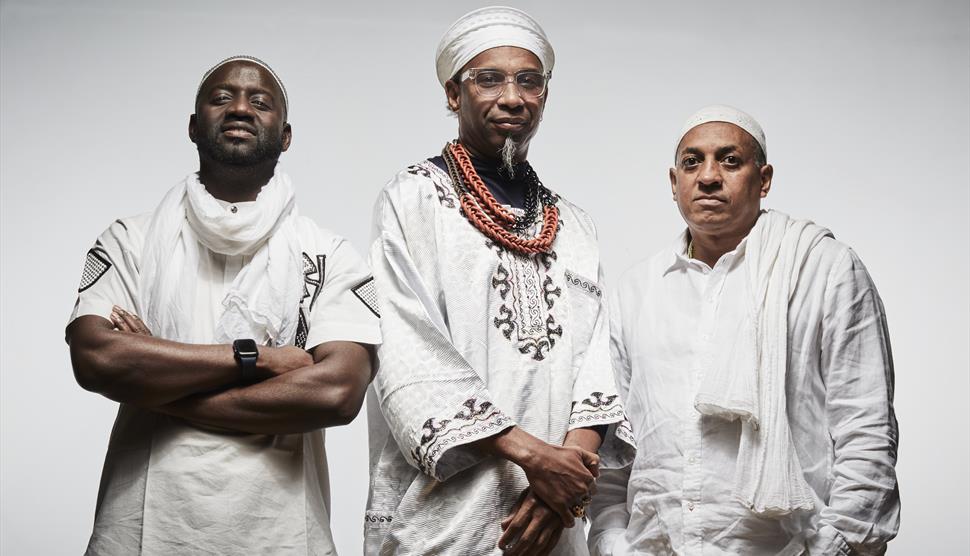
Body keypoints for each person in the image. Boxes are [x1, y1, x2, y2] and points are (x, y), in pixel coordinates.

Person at [66, 55, 381, 555]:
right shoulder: (130, 240)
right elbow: (96, 359)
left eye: (260, 102)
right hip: (144, 531)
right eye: (221, 98)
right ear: (193, 127)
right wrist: (258, 359)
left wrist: (160, 384)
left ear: (286, 135)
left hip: (280, 535)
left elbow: (337, 392)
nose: (240, 108)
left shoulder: (330, 254)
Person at [364, 7, 635, 555]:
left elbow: (599, 361)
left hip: (552, 520)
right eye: (489, 79)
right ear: (453, 94)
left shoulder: (574, 224)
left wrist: (562, 484)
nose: (512, 97)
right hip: (445, 514)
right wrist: (535, 459)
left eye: (528, 81)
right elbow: (407, 350)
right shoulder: (414, 199)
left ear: (545, 95)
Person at [588, 105, 900, 555]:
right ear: (674, 183)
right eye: (692, 162)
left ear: (765, 178)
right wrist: (611, 542)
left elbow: (866, 428)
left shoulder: (823, 269)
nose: (709, 176)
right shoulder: (637, 289)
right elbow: (614, 445)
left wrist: (838, 547)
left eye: (730, 161)